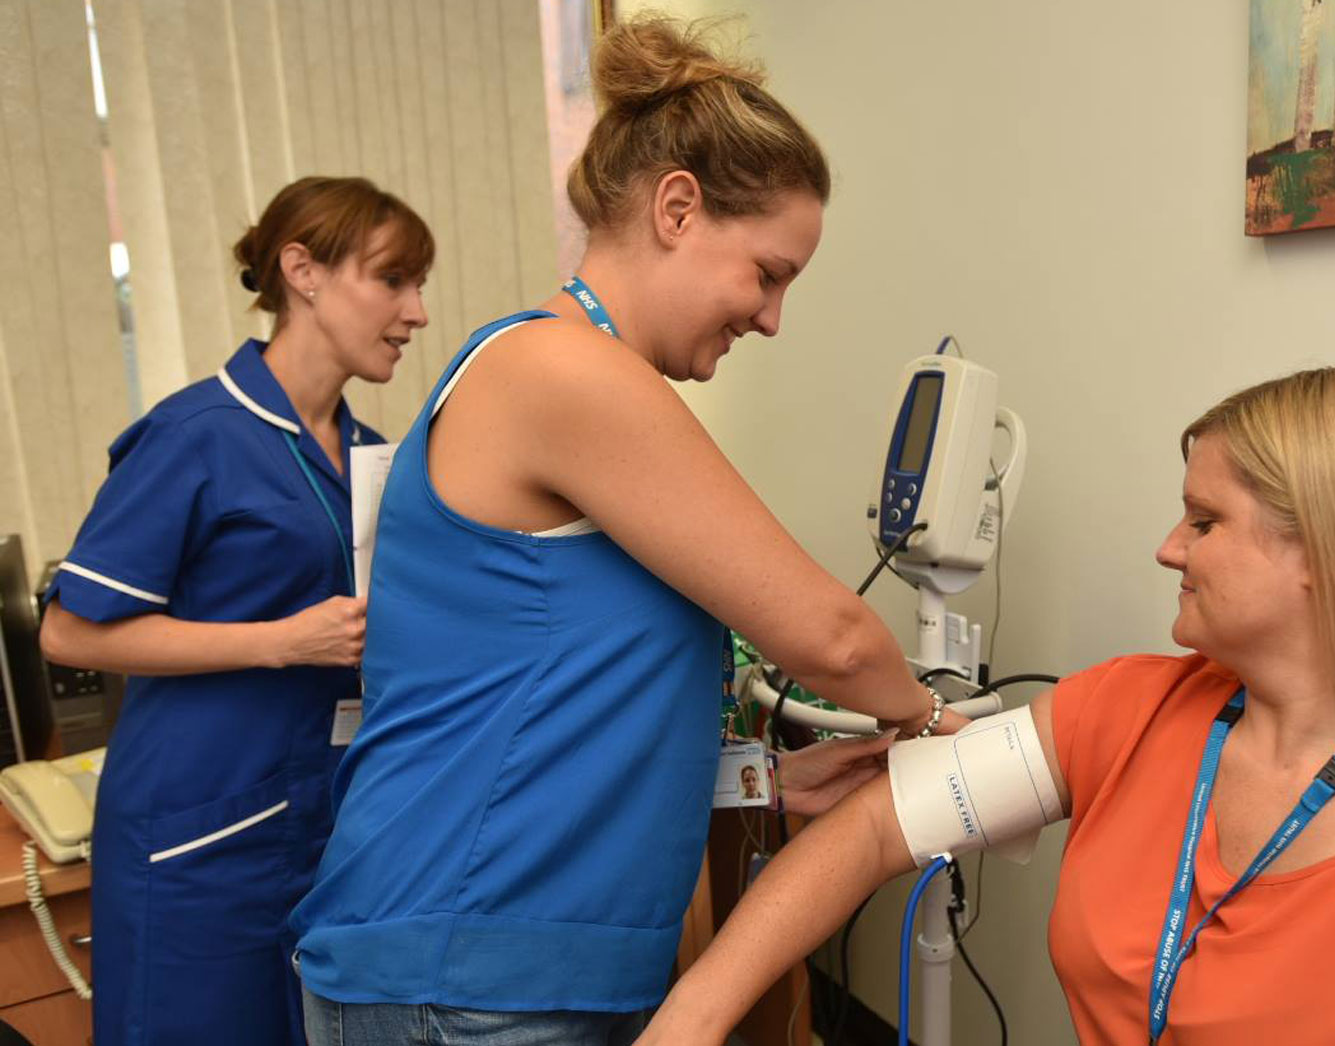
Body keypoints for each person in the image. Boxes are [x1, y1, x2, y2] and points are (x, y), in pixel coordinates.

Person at [640, 366, 1335, 1045]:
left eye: (1205, 519)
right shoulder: (1132, 711)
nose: (1169, 547)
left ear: (1327, 551)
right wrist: (691, 1017)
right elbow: (871, 830)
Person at [288, 15, 955, 1046]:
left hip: (507, 966)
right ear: (678, 208)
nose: (772, 317)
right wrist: (931, 723)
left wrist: (762, 781)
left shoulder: (578, 381)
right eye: (767, 272)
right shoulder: (557, 371)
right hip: (461, 972)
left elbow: (560, 698)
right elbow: (831, 634)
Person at [37, 176, 433, 1046]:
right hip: (198, 836)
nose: (417, 311)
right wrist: (280, 642)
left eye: (419, 285)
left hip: (321, 828)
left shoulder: (371, 456)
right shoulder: (197, 434)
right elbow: (67, 628)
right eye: (393, 280)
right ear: (304, 271)